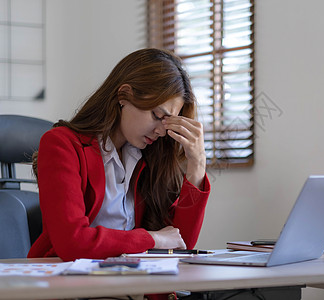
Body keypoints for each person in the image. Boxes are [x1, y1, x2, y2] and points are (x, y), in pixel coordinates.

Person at [28, 48, 210, 266]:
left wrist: (197, 165)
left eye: (168, 122)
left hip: (133, 284)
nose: (161, 131)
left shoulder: (149, 157)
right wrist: (152, 238)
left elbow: (179, 245)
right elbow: (72, 242)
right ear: (124, 95)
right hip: (73, 286)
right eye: (158, 116)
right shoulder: (62, 144)